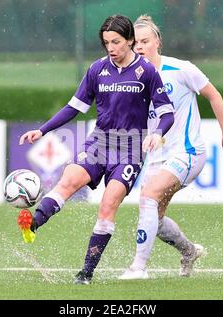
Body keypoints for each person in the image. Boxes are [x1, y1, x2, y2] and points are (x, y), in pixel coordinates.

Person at [18, 14, 175, 285]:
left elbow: (167, 113)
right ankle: (33, 224)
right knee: (68, 180)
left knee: (108, 204)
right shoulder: (97, 70)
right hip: (99, 142)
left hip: (130, 148)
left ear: (129, 41)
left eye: (116, 42)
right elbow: (74, 108)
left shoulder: (146, 72)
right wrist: (42, 130)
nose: (111, 48)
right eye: (106, 43)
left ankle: (86, 273)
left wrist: (157, 134)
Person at [119, 15, 223, 280]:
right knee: (155, 219)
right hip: (157, 158)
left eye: (145, 41)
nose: (139, 47)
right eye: (135, 43)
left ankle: (138, 267)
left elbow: (214, 95)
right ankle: (189, 251)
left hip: (188, 152)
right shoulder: (130, 80)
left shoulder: (181, 69)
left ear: (157, 42)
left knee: (149, 195)